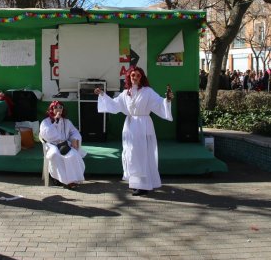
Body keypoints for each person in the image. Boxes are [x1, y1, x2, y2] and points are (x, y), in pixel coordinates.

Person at [95, 66, 173, 196]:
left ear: (141, 77)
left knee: (143, 154)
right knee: (131, 154)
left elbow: (159, 103)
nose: (135, 77)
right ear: (129, 77)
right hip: (130, 126)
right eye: (132, 75)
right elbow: (114, 105)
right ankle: (136, 184)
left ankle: (145, 185)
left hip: (144, 125)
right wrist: (103, 95)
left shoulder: (148, 91)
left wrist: (168, 100)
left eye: (137, 75)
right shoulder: (126, 93)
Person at [39, 101, 86, 189]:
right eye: (56, 107)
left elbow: (74, 132)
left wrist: (74, 139)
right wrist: (55, 121)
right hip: (51, 144)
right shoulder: (45, 122)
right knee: (55, 155)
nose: (58, 109)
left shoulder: (67, 122)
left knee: (73, 155)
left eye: (60, 107)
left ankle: (72, 180)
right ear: (51, 109)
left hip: (64, 144)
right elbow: (47, 135)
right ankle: (60, 180)